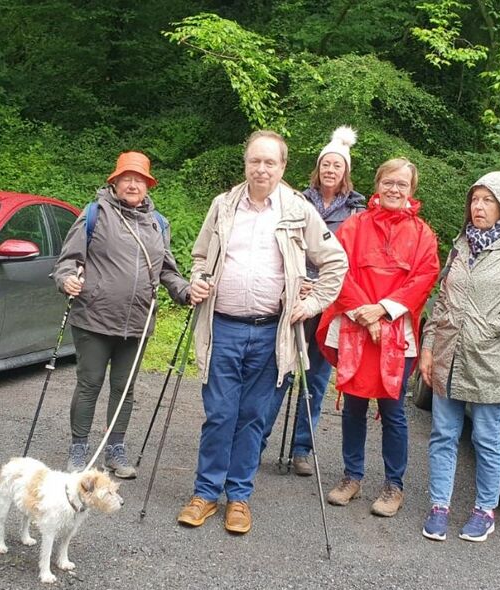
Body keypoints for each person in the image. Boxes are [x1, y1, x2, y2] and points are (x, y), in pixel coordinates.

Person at [177, 130, 348, 535]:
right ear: (245, 162)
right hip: (223, 328)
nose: (261, 168)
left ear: (283, 166)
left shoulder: (298, 209)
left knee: (253, 417)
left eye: (270, 162)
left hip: (274, 334)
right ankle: (205, 493)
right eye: (255, 160)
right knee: (220, 415)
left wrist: (310, 304)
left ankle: (239, 498)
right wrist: (199, 278)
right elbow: (200, 255)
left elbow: (335, 261)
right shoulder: (223, 206)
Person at [419, 171, 500, 542]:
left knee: (487, 438)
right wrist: (428, 347)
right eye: (475, 199)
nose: (479, 207)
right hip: (448, 355)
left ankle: (484, 510)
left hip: (492, 360)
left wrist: (494, 325)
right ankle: (438, 506)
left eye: (488, 200)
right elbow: (442, 300)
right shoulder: (459, 246)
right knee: (443, 435)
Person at [53, 151, 190, 478]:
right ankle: (79, 449)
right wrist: (66, 279)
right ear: (114, 182)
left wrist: (184, 291)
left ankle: (115, 448)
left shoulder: (158, 224)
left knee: (123, 388)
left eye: (139, 179)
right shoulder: (95, 215)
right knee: (90, 383)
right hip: (94, 320)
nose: (132, 184)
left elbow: (167, 270)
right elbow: (67, 261)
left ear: (147, 185)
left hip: (138, 323)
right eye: (126, 178)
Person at [317, 157, 439, 518]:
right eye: (389, 182)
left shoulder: (423, 234)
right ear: (377, 183)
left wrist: (383, 310)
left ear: (412, 190)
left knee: (393, 409)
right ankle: (351, 476)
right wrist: (363, 313)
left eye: (402, 184)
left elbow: (423, 278)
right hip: (356, 328)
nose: (394, 189)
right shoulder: (355, 226)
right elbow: (338, 268)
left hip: (396, 332)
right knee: (354, 405)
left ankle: (393, 485)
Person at [261, 126, 365, 476]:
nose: (330, 170)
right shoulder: (297, 202)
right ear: (317, 168)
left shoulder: (356, 212)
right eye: (325, 164)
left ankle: (302, 448)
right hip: (294, 294)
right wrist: (298, 281)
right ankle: (258, 439)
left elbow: (349, 260)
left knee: (316, 379)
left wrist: (320, 287)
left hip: (328, 304)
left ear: (345, 171)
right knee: (280, 371)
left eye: (337, 165)